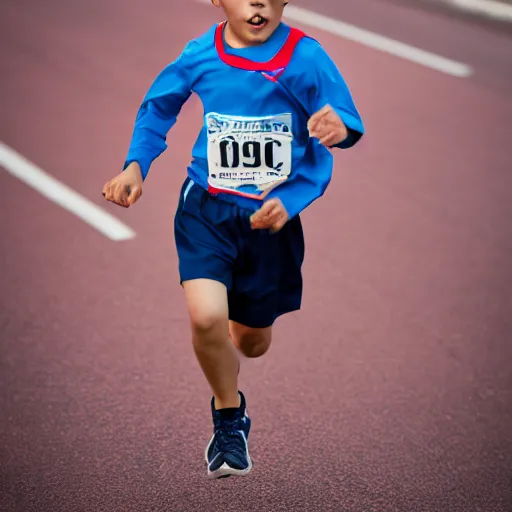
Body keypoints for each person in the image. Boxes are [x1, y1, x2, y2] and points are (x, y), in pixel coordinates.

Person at [102, 0, 364, 479]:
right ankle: (229, 418)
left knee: (252, 343)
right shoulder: (200, 54)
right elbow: (159, 106)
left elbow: (344, 126)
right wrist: (135, 165)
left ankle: (228, 333)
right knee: (206, 319)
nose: (257, 3)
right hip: (205, 208)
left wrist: (339, 130)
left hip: (271, 222)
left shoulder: (306, 58)